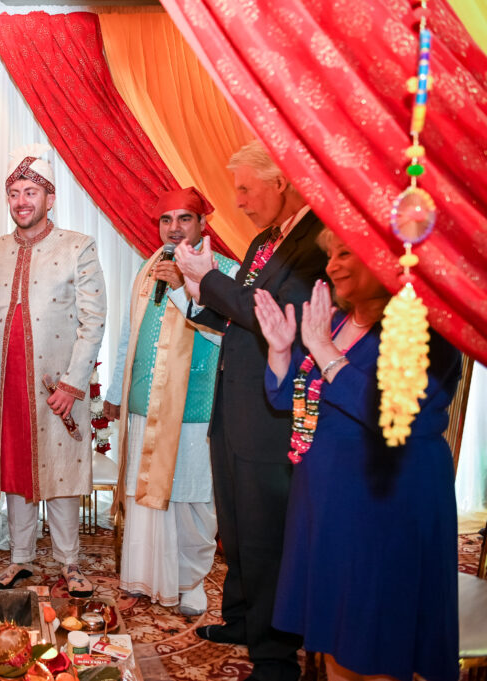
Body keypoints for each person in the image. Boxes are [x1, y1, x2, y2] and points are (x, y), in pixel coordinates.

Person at [254, 231, 459, 681]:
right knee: (334, 641)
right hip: (327, 505)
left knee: (374, 644)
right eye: (329, 255)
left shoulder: (424, 329)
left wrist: (324, 351)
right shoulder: (337, 323)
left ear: (389, 258)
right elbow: (300, 399)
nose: (331, 266)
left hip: (384, 503)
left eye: (345, 253)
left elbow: (392, 412)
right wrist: (282, 349)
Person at [175, 141, 327, 681]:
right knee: (236, 528)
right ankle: (241, 620)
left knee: (266, 534)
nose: (237, 201)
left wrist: (208, 278)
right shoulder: (266, 239)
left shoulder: (317, 243)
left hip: (274, 410)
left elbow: (274, 318)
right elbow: (234, 314)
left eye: (245, 188)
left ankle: (275, 653)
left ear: (280, 181)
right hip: (234, 402)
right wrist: (200, 291)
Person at [0, 144, 106, 597]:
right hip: (6, 383)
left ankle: (69, 561)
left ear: (50, 198)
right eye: (14, 193)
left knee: (61, 470)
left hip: (54, 384)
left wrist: (72, 383)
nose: (22, 201)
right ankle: (21, 559)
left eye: (31, 191)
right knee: (14, 468)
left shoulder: (78, 248)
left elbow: (93, 321)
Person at [103, 187, 237, 616]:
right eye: (166, 220)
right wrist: (113, 393)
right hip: (144, 398)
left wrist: (183, 287)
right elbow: (130, 332)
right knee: (144, 493)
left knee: (193, 496)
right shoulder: (149, 267)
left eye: (184, 219)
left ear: (202, 225)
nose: (174, 228)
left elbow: (221, 331)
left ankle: (189, 579)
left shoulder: (224, 271)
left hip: (195, 406)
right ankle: (144, 577)